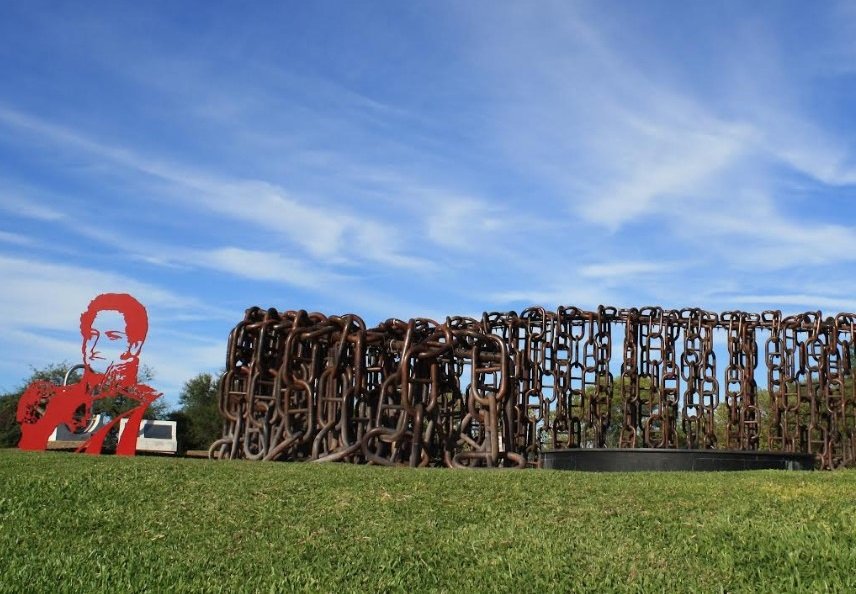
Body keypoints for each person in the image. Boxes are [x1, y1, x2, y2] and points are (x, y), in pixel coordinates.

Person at [17, 293, 162, 455]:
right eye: (92, 335)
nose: (94, 347)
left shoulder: (134, 398)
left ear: (134, 346)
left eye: (112, 336)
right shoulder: (76, 390)